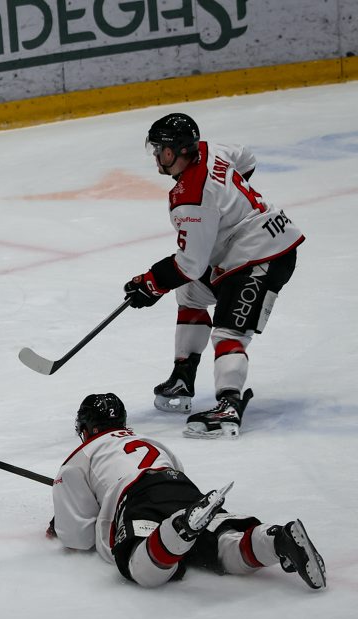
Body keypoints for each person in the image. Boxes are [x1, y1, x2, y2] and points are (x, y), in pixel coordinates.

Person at [124, 113, 304, 438]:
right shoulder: (211, 149)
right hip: (247, 249)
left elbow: (190, 265)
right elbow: (246, 158)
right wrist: (230, 202)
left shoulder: (191, 199)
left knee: (228, 331)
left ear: (173, 151)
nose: (156, 156)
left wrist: (151, 283)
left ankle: (228, 407)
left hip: (264, 254)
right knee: (191, 292)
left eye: (160, 149)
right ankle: (182, 378)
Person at [50, 392, 326, 590]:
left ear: (88, 428)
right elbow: (174, 472)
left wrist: (59, 523)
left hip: (136, 497)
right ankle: (277, 540)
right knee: (221, 547)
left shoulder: (78, 460)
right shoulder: (150, 441)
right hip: (180, 487)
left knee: (141, 568)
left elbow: (79, 538)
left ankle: (179, 529)